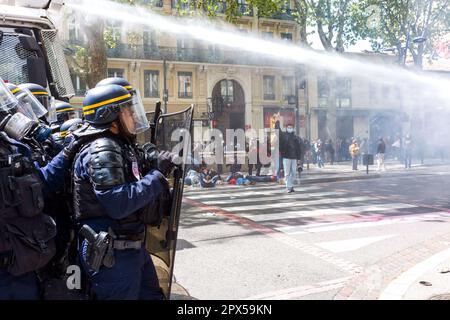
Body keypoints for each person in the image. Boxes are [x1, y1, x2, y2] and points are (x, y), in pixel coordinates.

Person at [0, 78, 82, 300]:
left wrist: (66, 151)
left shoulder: (10, 147)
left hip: (24, 255)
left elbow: (38, 183)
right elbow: (42, 183)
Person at [279, 122, 303, 193]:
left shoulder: (296, 138)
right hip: (286, 157)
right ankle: (288, 187)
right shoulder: (284, 136)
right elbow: (279, 134)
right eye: (288, 127)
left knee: (293, 173)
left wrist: (298, 159)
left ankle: (291, 186)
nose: (290, 128)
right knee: (287, 173)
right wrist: (277, 124)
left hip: (294, 158)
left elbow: (298, 149)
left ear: (293, 128)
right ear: (286, 128)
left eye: (291, 127)